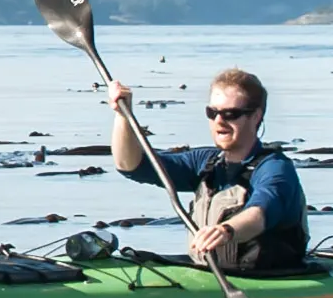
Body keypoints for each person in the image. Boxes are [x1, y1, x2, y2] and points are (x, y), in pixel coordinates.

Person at [105, 67, 306, 274]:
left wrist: (226, 230)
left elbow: (260, 213)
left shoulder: (275, 168)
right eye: (213, 112)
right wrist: (123, 116)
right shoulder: (206, 163)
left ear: (256, 116)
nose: (219, 121)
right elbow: (131, 166)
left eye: (231, 114)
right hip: (208, 272)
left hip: (270, 276)